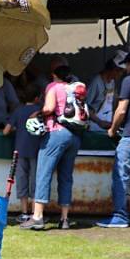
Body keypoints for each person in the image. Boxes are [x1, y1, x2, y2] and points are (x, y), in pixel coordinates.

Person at [20, 66, 83, 230]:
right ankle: (65, 219)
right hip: (74, 136)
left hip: (56, 133)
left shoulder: (53, 87)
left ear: (54, 75)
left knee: (43, 173)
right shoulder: (74, 88)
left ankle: (38, 217)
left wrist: (37, 113)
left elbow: (49, 108)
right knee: (66, 176)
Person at [98, 52, 130, 228]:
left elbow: (121, 110)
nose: (125, 69)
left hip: (129, 136)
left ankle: (121, 216)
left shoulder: (128, 81)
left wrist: (112, 129)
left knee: (121, 176)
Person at [3, 84, 42, 221]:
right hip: (36, 150)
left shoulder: (18, 111)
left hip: (19, 151)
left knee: (21, 180)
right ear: (37, 98)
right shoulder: (40, 110)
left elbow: (5, 131)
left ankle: (24, 212)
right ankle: (34, 213)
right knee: (35, 181)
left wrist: (17, 129)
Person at [86, 50, 127, 131]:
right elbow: (85, 107)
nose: (121, 75)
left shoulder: (112, 82)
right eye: (120, 72)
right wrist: (99, 122)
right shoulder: (96, 82)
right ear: (114, 69)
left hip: (107, 124)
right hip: (94, 126)